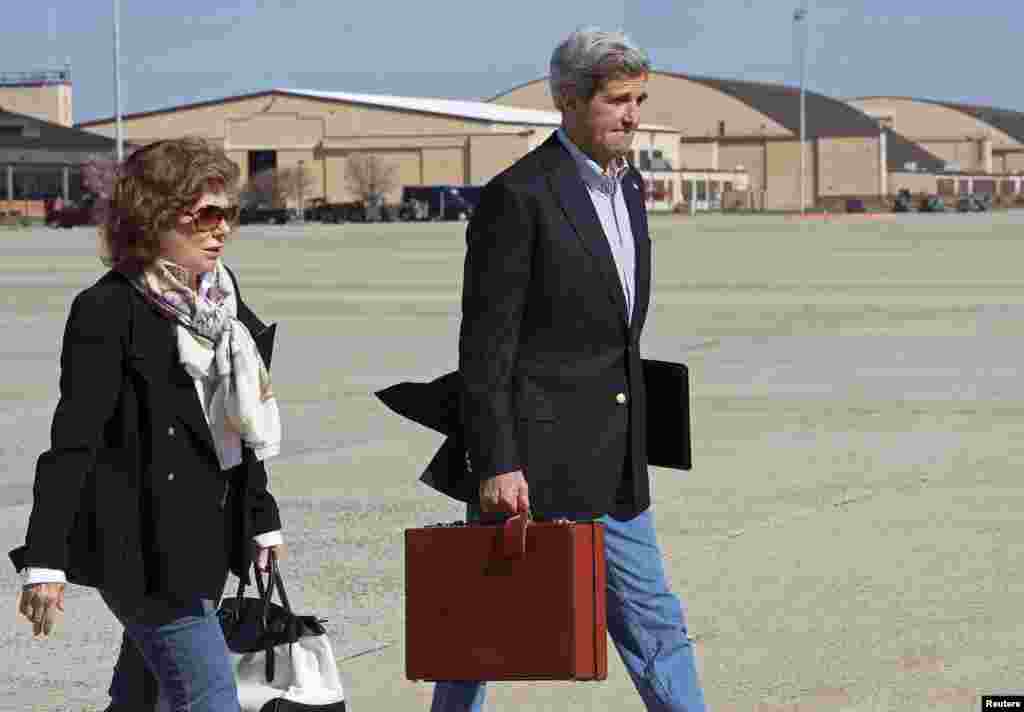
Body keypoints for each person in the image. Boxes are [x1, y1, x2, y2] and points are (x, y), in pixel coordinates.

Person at [429, 28, 707, 712]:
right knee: (477, 636)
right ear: (569, 101)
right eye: (618, 100)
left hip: (614, 460)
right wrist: (496, 461)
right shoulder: (518, 196)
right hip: (530, 463)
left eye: (639, 99)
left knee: (655, 626)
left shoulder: (630, 188)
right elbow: (486, 345)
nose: (634, 115)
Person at [10, 137, 285, 712]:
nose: (222, 229)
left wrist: (262, 520)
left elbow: (235, 431)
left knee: (142, 697)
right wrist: (45, 561)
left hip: (206, 540)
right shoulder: (108, 310)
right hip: (142, 549)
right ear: (153, 218)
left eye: (228, 213)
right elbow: (73, 444)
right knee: (209, 699)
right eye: (205, 216)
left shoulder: (225, 305)